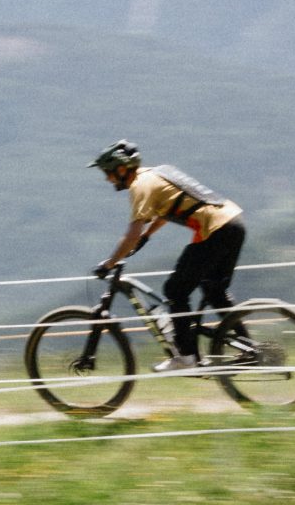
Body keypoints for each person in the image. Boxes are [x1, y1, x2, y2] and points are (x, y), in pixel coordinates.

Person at [90, 141, 247, 373]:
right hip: (233, 223)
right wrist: (148, 235)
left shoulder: (139, 186)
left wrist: (110, 263)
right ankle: (249, 348)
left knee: (175, 290)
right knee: (215, 291)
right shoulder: (159, 173)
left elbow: (132, 233)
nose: (107, 179)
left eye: (108, 173)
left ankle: (186, 357)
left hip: (214, 230)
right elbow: (167, 209)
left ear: (121, 169)